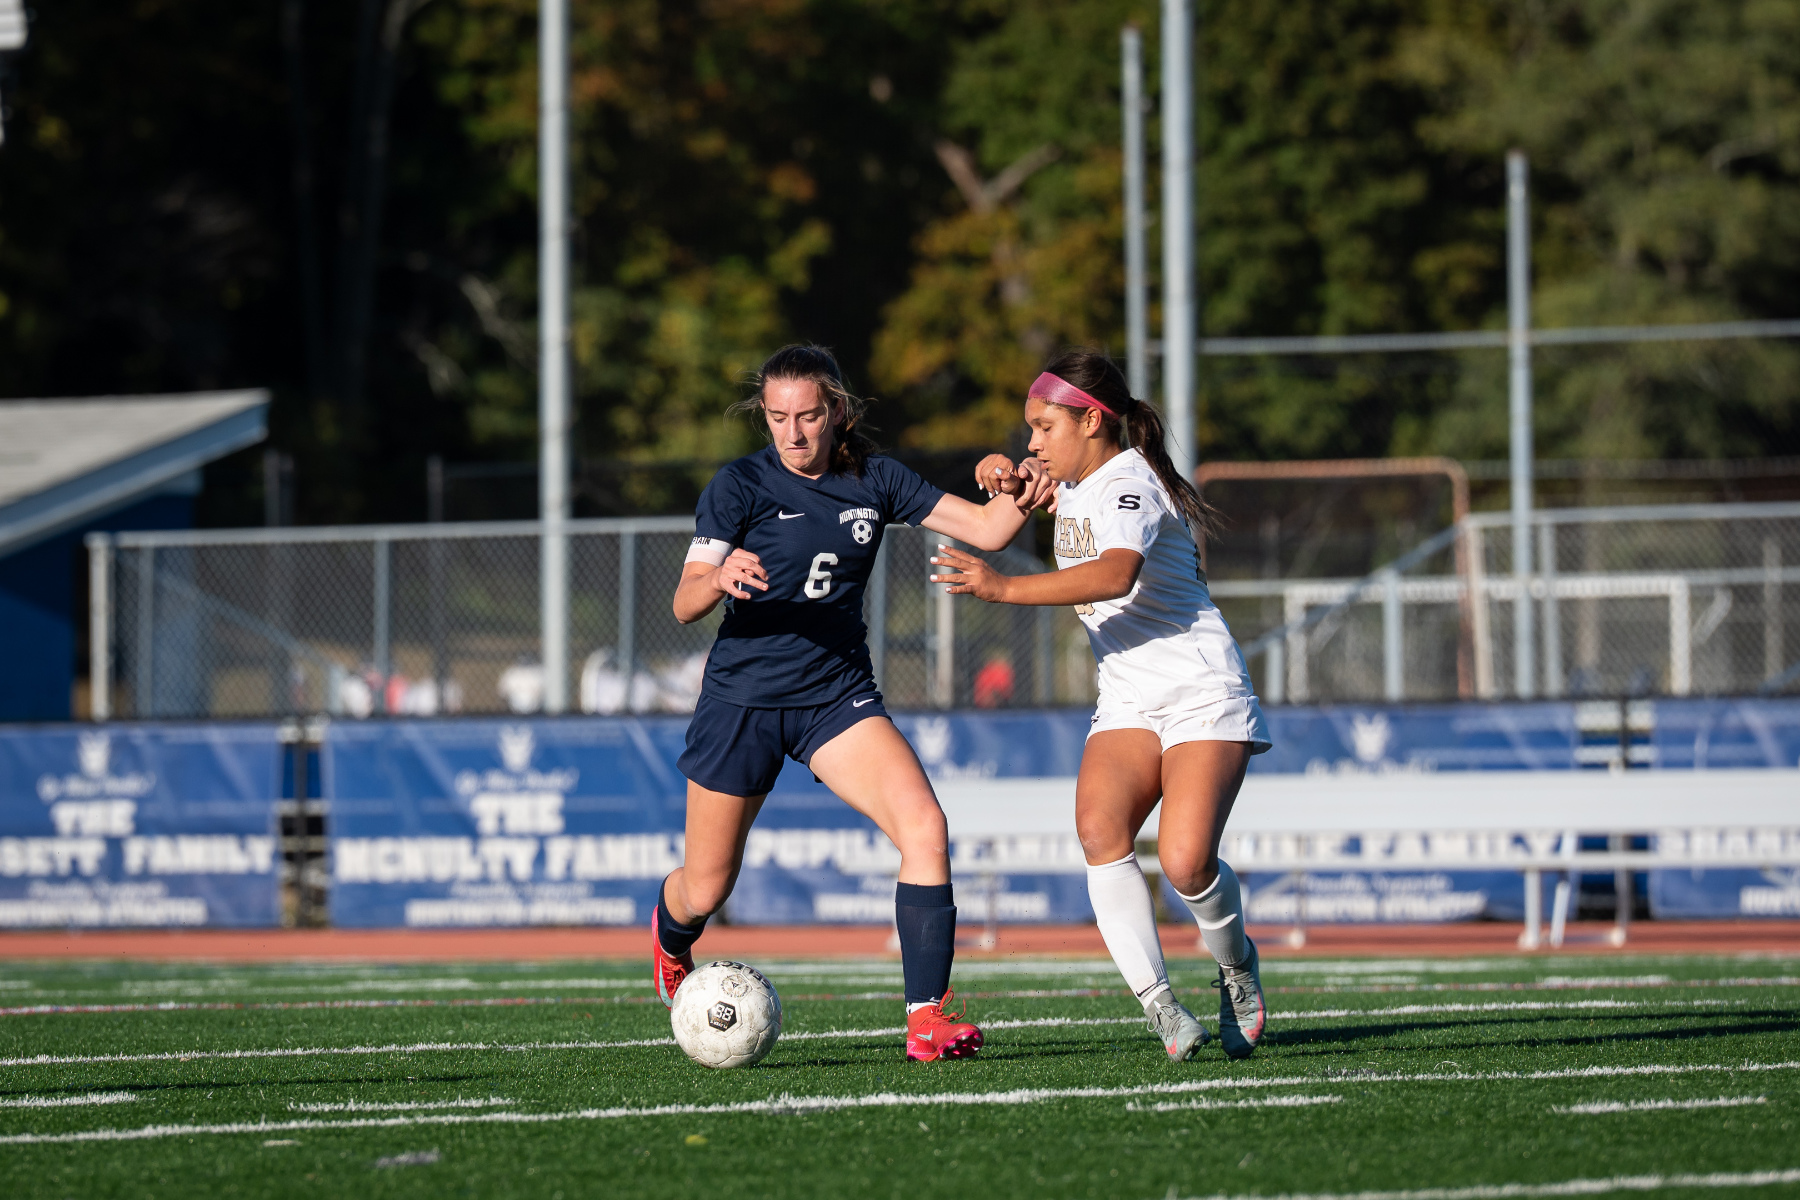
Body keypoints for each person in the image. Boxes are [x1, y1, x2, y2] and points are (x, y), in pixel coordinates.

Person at [652, 343, 1051, 1062]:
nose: (793, 433)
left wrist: (1016, 478)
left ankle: (926, 1018)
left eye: (807, 415)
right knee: (706, 887)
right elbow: (684, 602)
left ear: (837, 410)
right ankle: (670, 936)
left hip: (835, 694)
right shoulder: (739, 484)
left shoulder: (876, 477)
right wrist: (718, 579)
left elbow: (990, 530)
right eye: (777, 418)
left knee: (925, 826)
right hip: (741, 701)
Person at [926, 349, 1271, 1061]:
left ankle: (1236, 968)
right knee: (1098, 833)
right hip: (1127, 695)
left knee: (1184, 863)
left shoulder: (1129, 485)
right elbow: (1023, 481)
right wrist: (1000, 471)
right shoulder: (1072, 472)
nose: (1032, 442)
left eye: (1043, 426)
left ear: (1091, 420)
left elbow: (1114, 574)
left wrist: (1003, 589)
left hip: (1200, 688)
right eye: (1029, 428)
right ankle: (1163, 1010)